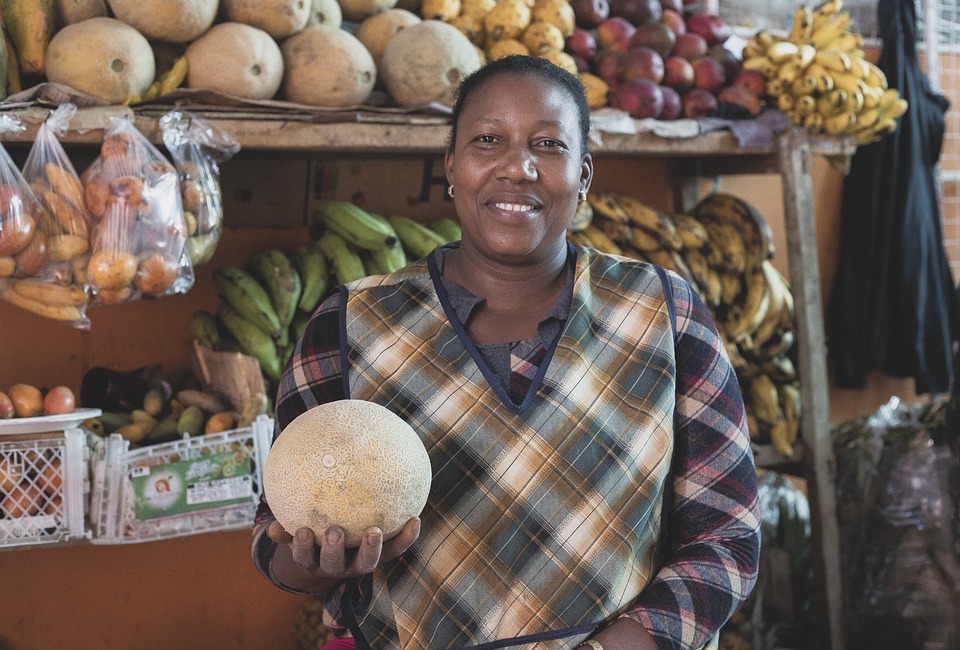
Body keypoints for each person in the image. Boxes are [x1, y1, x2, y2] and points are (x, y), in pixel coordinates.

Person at [252, 54, 760, 650]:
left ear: (584, 174)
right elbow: (271, 538)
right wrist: (314, 565)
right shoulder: (352, 321)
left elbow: (725, 537)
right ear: (451, 165)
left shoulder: (660, 311)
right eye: (488, 140)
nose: (517, 167)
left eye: (548, 144)